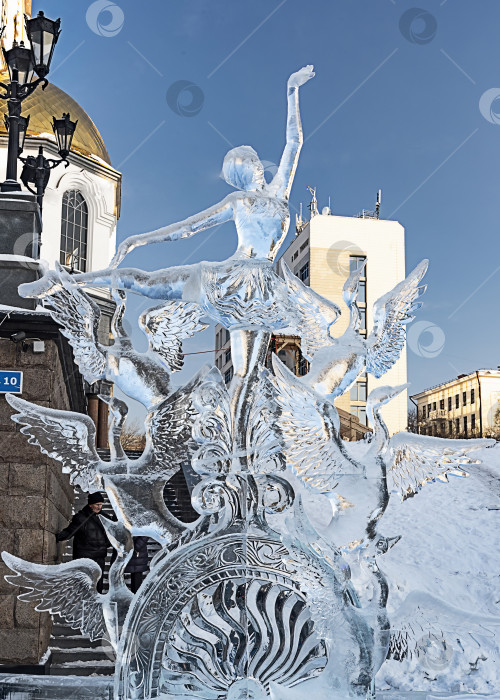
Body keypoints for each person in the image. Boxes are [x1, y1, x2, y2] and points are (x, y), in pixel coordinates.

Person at [55, 492, 115, 594]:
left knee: (98, 586)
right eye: (97, 504)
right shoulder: (81, 517)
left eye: (101, 504)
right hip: (84, 557)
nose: (99, 507)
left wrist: (105, 544)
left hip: (99, 557)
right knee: (84, 585)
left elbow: (111, 535)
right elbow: (70, 531)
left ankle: (97, 607)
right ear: (90, 504)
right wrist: (58, 537)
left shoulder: (105, 517)